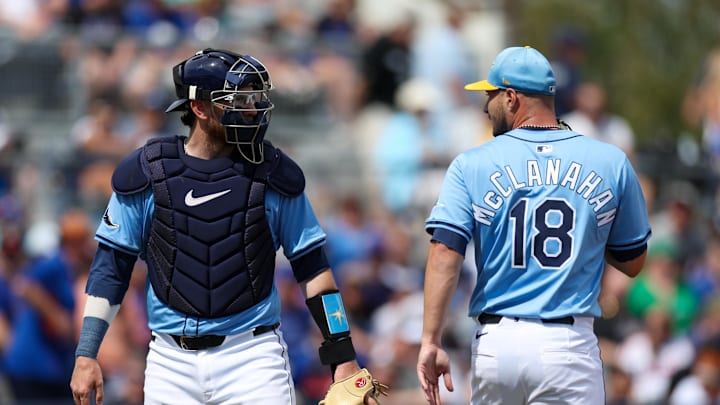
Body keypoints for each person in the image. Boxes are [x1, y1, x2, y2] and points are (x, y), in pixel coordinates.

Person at [70, 48, 384, 405]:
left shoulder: (274, 173)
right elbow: (111, 268)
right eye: (238, 101)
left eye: (255, 99)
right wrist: (86, 353)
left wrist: (343, 358)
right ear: (200, 108)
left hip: (252, 357)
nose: (251, 110)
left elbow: (315, 274)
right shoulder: (149, 171)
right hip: (169, 362)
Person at [416, 46, 652, 405]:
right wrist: (586, 235)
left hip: (497, 344)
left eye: (490, 95)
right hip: (568, 345)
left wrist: (431, 339)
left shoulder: (471, 163)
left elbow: (445, 250)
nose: (485, 106)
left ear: (511, 98)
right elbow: (633, 261)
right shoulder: (609, 160)